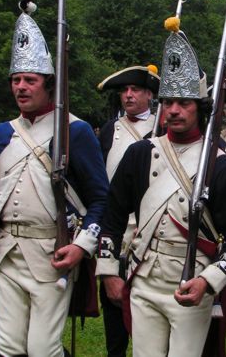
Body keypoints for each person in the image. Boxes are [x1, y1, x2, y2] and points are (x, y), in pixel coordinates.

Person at [96, 26, 226, 357]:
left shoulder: (219, 164)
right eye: (167, 102)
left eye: (183, 103)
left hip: (192, 282)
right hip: (144, 277)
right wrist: (108, 271)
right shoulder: (140, 154)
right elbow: (111, 216)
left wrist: (209, 280)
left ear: (200, 107)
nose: (173, 110)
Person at [0, 1, 108, 357]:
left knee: (43, 348)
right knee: (7, 345)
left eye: (30, 80)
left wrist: (81, 246)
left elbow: (100, 199)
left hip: (52, 253)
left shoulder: (75, 131)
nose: (21, 87)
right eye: (16, 80)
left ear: (49, 85)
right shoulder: (2, 132)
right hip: (5, 254)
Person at [96, 65, 160, 357]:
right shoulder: (111, 129)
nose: (129, 95)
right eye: (124, 90)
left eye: (135, 90)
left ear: (150, 94)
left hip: (152, 230)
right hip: (116, 230)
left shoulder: (163, 127)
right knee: (114, 316)